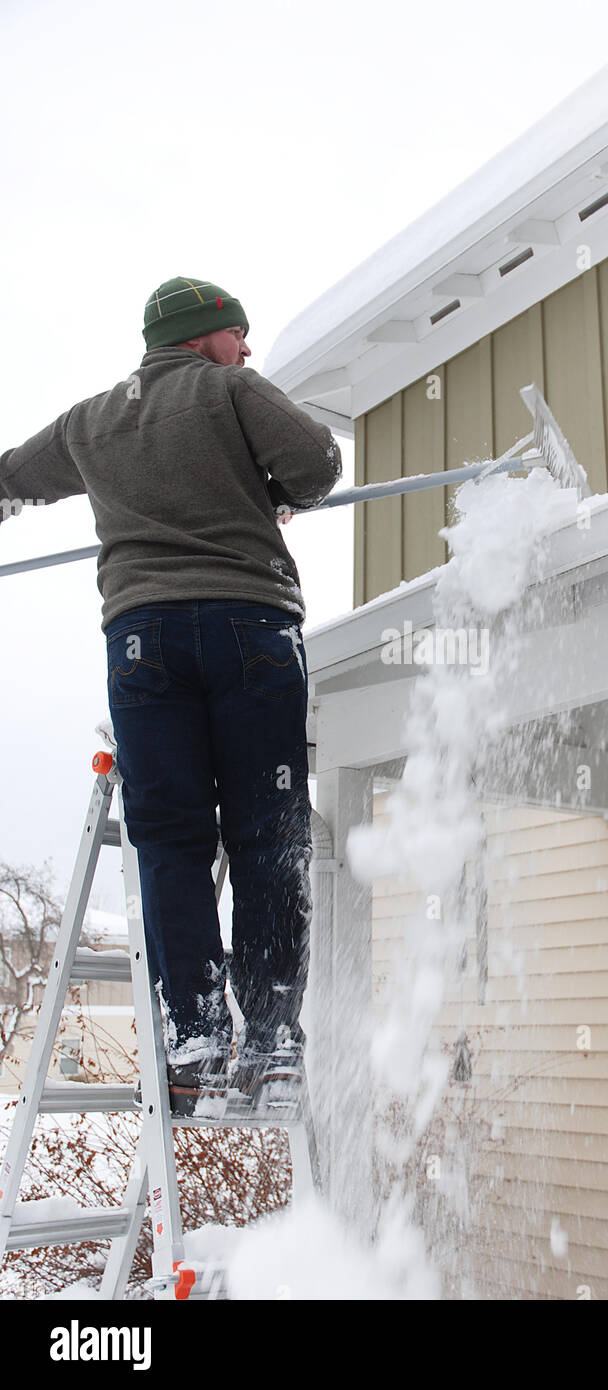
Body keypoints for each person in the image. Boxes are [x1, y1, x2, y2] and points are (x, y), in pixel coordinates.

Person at [0, 276, 341, 1114]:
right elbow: (318, 463)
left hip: (142, 643)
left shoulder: (89, 420)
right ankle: (271, 1040)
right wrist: (271, 494)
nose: (248, 349)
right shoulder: (230, 389)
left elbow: (10, 480)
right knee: (267, 834)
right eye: (239, 334)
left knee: (170, 840)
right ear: (203, 339)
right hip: (249, 631)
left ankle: (195, 1038)